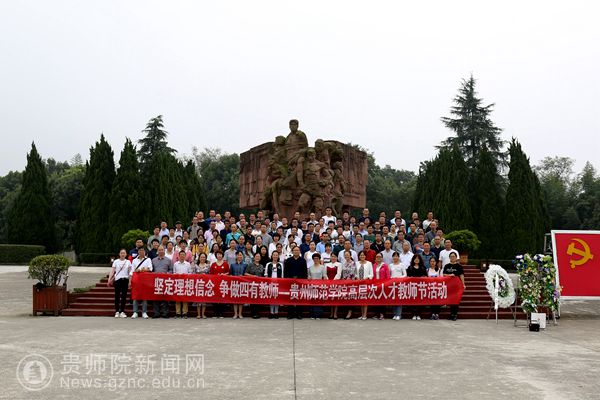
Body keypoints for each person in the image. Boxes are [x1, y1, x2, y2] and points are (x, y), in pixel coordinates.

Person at [284, 246, 308, 319]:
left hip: (300, 281)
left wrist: (303, 280)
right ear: (292, 251)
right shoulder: (288, 260)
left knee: (299, 298)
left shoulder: (303, 261)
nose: (296, 251)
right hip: (290, 282)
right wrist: (287, 279)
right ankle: (290, 314)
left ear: (299, 251)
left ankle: (299, 314)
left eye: (297, 250)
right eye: (294, 250)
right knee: (290, 297)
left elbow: (305, 272)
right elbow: (286, 271)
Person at [108, 249, 132, 318]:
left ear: (126, 254)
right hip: (117, 280)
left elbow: (130, 272)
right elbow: (112, 271)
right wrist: (109, 279)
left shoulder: (128, 262)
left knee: (124, 296)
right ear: (119, 254)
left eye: (124, 253)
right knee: (117, 296)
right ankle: (117, 311)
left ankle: (122, 311)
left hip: (125, 280)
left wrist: (130, 281)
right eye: (121, 253)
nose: (122, 254)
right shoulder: (116, 261)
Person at [442, 251, 465, 321]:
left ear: (456, 258)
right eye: (451, 256)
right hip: (449, 286)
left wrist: (463, 284)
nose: (452, 258)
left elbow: (461, 275)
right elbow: (444, 274)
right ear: (449, 258)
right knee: (450, 300)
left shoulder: (459, 266)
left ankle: (455, 314)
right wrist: (450, 275)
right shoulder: (447, 266)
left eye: (454, 256)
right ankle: (451, 314)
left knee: (456, 300)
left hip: (457, 286)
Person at [130, 247, 152, 319]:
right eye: (140, 250)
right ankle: (135, 312)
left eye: (143, 250)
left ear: (145, 252)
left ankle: (144, 312)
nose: (142, 252)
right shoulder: (134, 260)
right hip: (136, 280)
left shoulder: (148, 259)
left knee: (144, 296)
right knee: (135, 295)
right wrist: (130, 281)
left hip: (145, 280)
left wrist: (144, 269)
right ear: (138, 252)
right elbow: (132, 271)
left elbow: (150, 268)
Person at [151, 245, 173, 318]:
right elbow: (151, 270)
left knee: (165, 297)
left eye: (162, 250)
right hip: (156, 281)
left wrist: (167, 274)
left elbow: (171, 270)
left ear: (164, 251)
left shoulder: (168, 260)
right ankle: (156, 313)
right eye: (159, 250)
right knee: (155, 297)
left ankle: (165, 313)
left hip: (165, 281)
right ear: (157, 251)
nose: (161, 251)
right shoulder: (153, 260)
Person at [336, 251, 357, 319]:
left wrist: (347, 280)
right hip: (344, 284)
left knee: (350, 298)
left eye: (348, 255)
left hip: (350, 283)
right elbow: (342, 273)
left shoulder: (353, 263)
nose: (346, 256)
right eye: (345, 255)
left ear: (350, 255)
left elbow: (352, 273)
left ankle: (350, 312)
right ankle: (345, 312)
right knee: (345, 297)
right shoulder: (343, 263)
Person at [406, 254, 427, 320]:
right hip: (412, 287)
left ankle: (419, 314)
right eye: (415, 258)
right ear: (413, 259)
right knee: (413, 301)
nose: (416, 259)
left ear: (420, 260)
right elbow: (407, 277)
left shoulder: (423, 267)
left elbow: (426, 276)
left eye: (418, 258)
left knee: (421, 301)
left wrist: (423, 277)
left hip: (421, 287)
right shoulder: (410, 267)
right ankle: (414, 314)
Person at [210, 251, 230, 318]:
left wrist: (224, 274)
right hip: (215, 284)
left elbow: (228, 273)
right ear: (216, 256)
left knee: (222, 298)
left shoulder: (225, 264)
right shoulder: (213, 264)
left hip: (223, 284)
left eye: (220, 254)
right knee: (215, 298)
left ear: (222, 255)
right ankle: (215, 313)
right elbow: (211, 274)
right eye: (218, 254)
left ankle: (221, 313)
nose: (219, 256)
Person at [245, 253, 265, 319]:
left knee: (258, 299)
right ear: (254, 257)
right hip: (252, 284)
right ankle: (253, 313)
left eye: (258, 256)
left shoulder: (261, 266)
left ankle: (257, 313)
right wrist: (253, 276)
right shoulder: (250, 265)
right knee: (253, 299)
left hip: (259, 285)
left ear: (260, 258)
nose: (257, 257)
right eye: (256, 256)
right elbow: (245, 273)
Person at [307, 253, 327, 319]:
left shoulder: (322, 267)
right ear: (313, 259)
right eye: (314, 258)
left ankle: (318, 315)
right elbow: (309, 276)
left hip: (320, 286)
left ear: (319, 259)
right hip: (312, 287)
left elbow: (324, 276)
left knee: (319, 301)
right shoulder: (310, 268)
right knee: (312, 300)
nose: (316, 260)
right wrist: (309, 278)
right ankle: (312, 314)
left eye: (317, 258)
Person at [265, 251, 284, 319]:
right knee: (271, 297)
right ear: (272, 256)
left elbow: (282, 274)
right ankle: (271, 312)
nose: (275, 256)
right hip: (270, 283)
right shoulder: (268, 264)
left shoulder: (280, 264)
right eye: (274, 255)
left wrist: (281, 283)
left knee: (276, 298)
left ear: (278, 256)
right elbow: (266, 274)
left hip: (278, 283)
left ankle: (276, 312)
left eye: (276, 255)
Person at [173, 250, 192, 319]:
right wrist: (177, 275)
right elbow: (174, 273)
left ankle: (185, 313)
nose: (182, 256)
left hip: (185, 283)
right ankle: (178, 313)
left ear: (185, 256)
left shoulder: (188, 264)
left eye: (183, 254)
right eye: (181, 254)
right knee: (177, 298)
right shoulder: (175, 264)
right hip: (177, 283)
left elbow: (190, 273)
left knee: (185, 298)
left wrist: (185, 275)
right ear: (179, 255)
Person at [389, 251, 407, 320]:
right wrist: (392, 278)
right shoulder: (390, 265)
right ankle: (394, 314)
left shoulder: (401, 265)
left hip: (400, 284)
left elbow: (405, 274)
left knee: (399, 299)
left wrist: (399, 278)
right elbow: (389, 275)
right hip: (392, 284)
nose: (395, 257)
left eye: (396, 256)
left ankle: (399, 314)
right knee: (393, 299)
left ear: (399, 257)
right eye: (394, 256)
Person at [356, 251, 374, 320]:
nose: (362, 256)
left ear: (365, 256)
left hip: (366, 283)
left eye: (363, 255)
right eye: (361, 255)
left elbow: (371, 274)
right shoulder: (357, 263)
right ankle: (361, 314)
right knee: (361, 299)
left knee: (365, 299)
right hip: (359, 283)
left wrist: (367, 278)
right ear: (359, 256)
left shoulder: (369, 263)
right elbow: (355, 273)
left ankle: (365, 315)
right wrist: (356, 277)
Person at [372, 253, 390, 320]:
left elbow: (388, 276)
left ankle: (382, 314)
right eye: (377, 257)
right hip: (375, 285)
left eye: (380, 257)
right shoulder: (373, 265)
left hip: (383, 285)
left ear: (382, 258)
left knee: (382, 300)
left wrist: (386, 284)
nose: (378, 258)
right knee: (376, 300)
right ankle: (377, 314)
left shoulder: (385, 265)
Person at [229, 251, 247, 319]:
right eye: (238, 255)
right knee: (235, 299)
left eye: (241, 255)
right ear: (236, 256)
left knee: (241, 299)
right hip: (234, 284)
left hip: (242, 284)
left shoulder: (245, 265)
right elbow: (230, 274)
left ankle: (240, 313)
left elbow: (246, 274)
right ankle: (235, 314)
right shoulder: (232, 265)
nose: (240, 256)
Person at [324, 253, 342, 319]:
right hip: (328, 283)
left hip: (336, 283)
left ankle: (335, 314)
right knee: (330, 298)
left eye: (335, 256)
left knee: (336, 298)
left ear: (337, 258)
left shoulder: (339, 264)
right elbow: (325, 274)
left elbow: (339, 274)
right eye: (332, 256)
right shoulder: (326, 264)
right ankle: (331, 313)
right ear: (330, 257)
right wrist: (328, 281)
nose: (333, 258)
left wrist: (333, 281)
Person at [194, 253, 211, 319]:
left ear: (206, 258)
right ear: (199, 258)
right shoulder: (196, 266)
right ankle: (198, 314)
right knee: (198, 300)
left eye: (204, 257)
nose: (202, 258)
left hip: (205, 284)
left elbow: (210, 275)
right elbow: (193, 274)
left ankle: (203, 314)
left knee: (204, 300)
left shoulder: (208, 266)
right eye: (201, 257)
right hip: (198, 284)